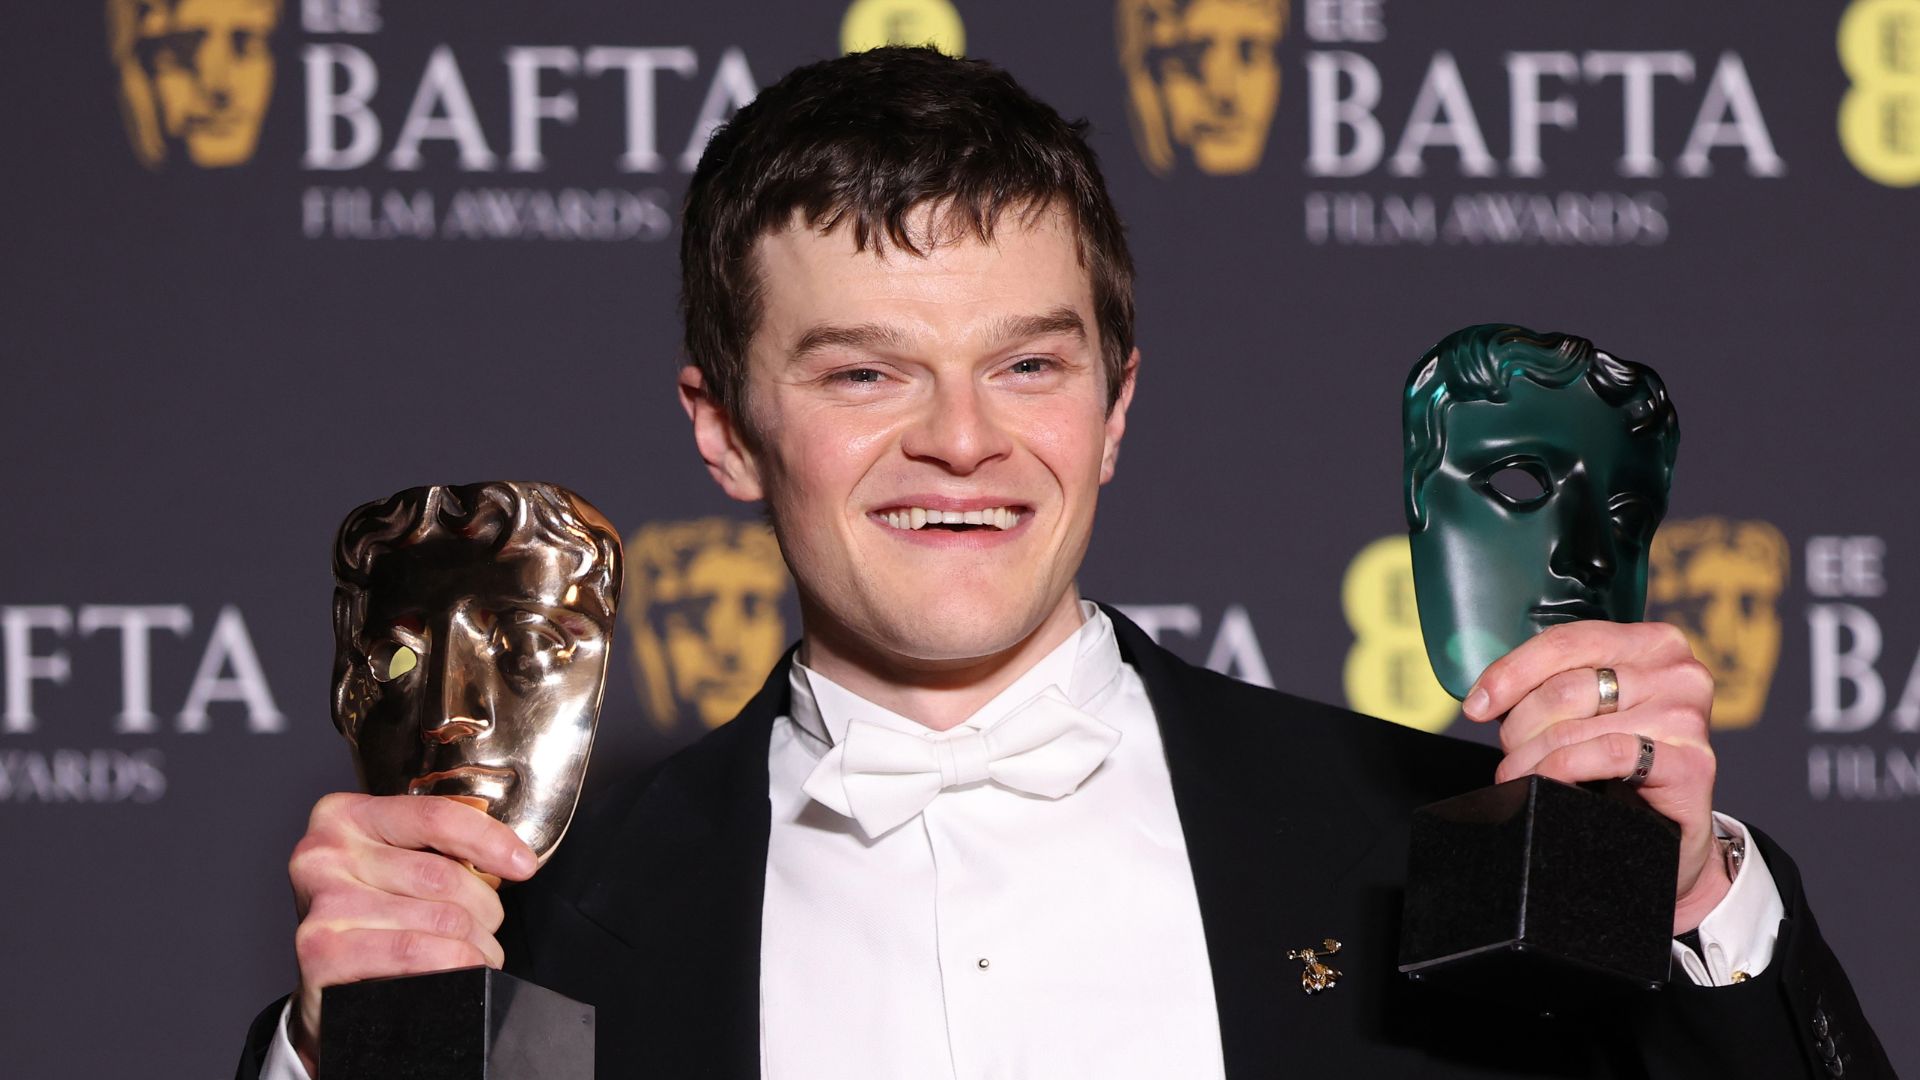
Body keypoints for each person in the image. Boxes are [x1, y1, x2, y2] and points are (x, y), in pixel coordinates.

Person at [238, 47, 1888, 1078]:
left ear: (1115, 409)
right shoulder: (536, 943)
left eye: (1027, 365)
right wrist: (343, 1060)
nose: (964, 438)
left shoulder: (1435, 852)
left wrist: (1690, 908)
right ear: (725, 431)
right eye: (865, 372)